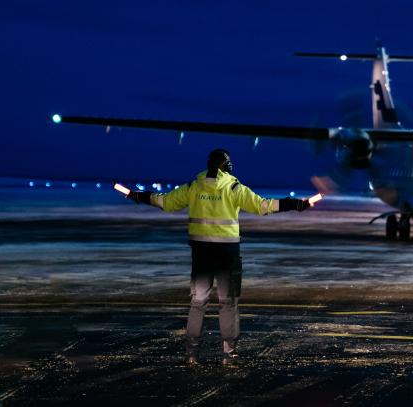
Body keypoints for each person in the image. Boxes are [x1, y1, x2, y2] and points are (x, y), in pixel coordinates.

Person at [126, 148, 311, 365]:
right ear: (226, 165)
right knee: (228, 303)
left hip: (201, 253)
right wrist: (293, 204)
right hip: (227, 254)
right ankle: (229, 354)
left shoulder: (194, 186)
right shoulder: (233, 187)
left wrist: (139, 196)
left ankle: (191, 354)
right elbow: (263, 206)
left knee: (198, 302)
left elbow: (165, 202)